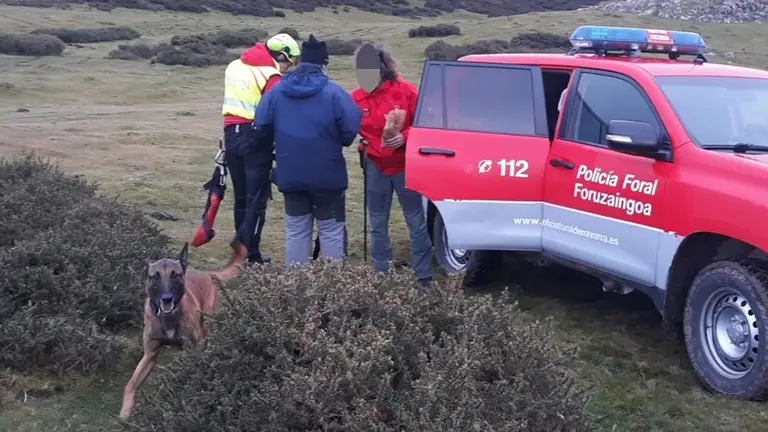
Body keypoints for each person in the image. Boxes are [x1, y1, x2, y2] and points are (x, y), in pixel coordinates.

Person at [254, 35, 361, 267]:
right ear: (324, 64)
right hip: (328, 175)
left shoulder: (277, 91)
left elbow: (261, 123)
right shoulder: (335, 93)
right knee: (331, 230)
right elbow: (350, 128)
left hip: (290, 173)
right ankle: (333, 288)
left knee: (296, 230)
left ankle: (297, 291)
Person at [350, 45, 433, 288]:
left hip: (405, 165)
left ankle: (423, 276)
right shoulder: (356, 97)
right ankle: (380, 273)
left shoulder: (405, 91)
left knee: (415, 221)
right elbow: (347, 128)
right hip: (375, 165)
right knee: (377, 223)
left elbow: (424, 123)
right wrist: (363, 143)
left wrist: (405, 137)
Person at [221, 33, 300, 264]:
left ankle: (240, 251)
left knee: (241, 198)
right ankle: (251, 255)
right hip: (256, 137)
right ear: (279, 55)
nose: (287, 68)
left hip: (231, 134)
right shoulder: (271, 75)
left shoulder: (234, 66)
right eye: (288, 62)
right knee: (256, 199)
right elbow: (275, 111)